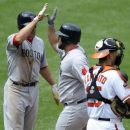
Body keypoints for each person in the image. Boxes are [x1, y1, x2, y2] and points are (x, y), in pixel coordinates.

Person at [3, 3, 59, 130]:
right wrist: (35, 20)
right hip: (16, 90)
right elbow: (18, 39)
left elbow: (42, 66)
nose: (34, 29)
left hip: (33, 91)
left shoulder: (39, 42)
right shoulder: (12, 39)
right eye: (31, 27)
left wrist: (53, 85)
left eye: (35, 27)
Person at [47, 9, 89, 130]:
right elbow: (54, 42)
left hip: (75, 110)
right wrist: (51, 26)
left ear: (67, 40)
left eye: (60, 36)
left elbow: (89, 82)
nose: (58, 38)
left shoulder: (76, 58)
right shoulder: (70, 50)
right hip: (79, 106)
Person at [86, 38, 130, 130]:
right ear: (110, 55)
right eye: (116, 53)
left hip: (91, 124)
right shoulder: (114, 75)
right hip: (110, 125)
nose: (117, 55)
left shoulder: (88, 73)